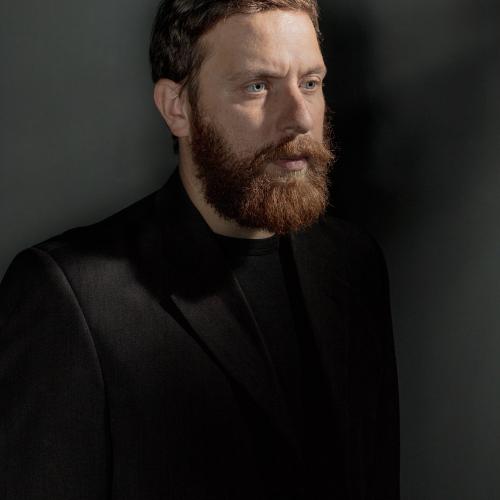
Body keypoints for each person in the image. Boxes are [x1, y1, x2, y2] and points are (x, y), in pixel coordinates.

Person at [0, 1, 399, 498]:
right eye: (257, 86)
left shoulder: (354, 263)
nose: (299, 118)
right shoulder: (68, 296)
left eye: (311, 83)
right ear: (177, 108)